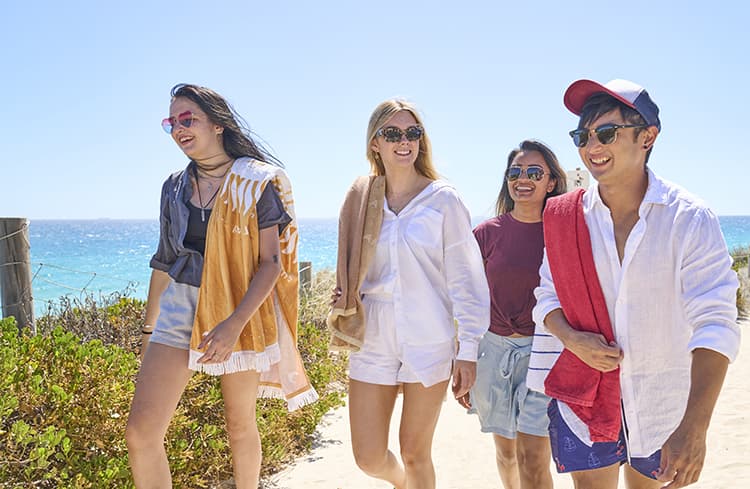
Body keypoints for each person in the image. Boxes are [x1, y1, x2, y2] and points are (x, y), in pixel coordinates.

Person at [529, 79, 740, 489]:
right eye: (582, 135)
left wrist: (696, 428)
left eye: (606, 132)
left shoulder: (689, 218)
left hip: (663, 401)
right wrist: (571, 338)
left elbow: (716, 323)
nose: (592, 146)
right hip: (585, 398)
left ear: (647, 136)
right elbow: (546, 295)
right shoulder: (563, 216)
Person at [125, 83, 317, 489]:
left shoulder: (255, 182)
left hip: (239, 306)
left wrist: (234, 324)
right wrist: (149, 327)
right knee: (141, 433)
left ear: (216, 124)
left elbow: (270, 263)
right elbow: (164, 261)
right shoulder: (173, 187)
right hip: (180, 307)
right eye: (171, 123)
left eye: (187, 118)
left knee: (239, 423)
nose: (179, 129)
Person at [328, 98, 489, 489]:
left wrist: (468, 349)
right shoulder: (362, 198)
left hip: (429, 336)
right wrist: (345, 292)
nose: (404, 141)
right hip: (374, 335)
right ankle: (402, 484)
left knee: (416, 452)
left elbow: (466, 278)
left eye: (413, 133)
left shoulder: (443, 199)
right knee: (368, 457)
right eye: (393, 133)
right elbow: (353, 266)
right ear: (375, 144)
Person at [463, 139, 567, 489]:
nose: (524, 178)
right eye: (516, 172)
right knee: (507, 454)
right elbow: (463, 297)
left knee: (533, 458)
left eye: (535, 172)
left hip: (544, 353)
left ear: (551, 182)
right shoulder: (485, 234)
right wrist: (461, 359)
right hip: (492, 353)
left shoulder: (564, 233)